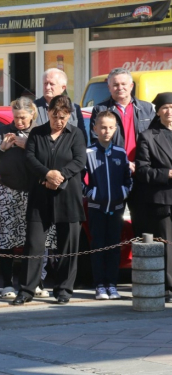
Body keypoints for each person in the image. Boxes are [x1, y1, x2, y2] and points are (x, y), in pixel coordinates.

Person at [13, 95, 87, 306]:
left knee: (67, 245)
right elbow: (30, 159)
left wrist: (58, 177)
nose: (59, 121)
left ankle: (63, 289)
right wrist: (47, 175)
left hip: (68, 196)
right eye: (55, 116)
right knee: (34, 244)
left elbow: (79, 161)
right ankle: (27, 289)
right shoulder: (37, 133)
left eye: (63, 117)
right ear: (48, 113)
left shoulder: (76, 134)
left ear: (69, 115)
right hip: (40, 195)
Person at [0, 97, 54, 300]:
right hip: (7, 190)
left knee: (37, 239)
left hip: (35, 191)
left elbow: (49, 157)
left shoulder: (41, 133)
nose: (19, 122)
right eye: (16, 117)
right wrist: (1, 149)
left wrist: (26, 144)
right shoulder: (2, 132)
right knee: (7, 238)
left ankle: (36, 282)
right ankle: (6, 283)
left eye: (23, 118)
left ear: (32, 115)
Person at [90, 67, 155, 240]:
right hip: (114, 175)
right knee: (113, 226)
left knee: (143, 223)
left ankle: (143, 263)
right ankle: (113, 264)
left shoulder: (147, 109)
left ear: (131, 85)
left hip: (141, 174)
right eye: (115, 84)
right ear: (109, 87)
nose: (120, 88)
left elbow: (155, 142)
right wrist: (125, 162)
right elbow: (96, 143)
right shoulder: (100, 109)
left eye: (124, 84)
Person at [83, 111, 132, 300]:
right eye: (102, 127)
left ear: (115, 129)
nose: (106, 131)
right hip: (96, 209)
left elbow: (128, 179)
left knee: (114, 247)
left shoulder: (121, 153)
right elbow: (80, 181)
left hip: (117, 208)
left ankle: (112, 284)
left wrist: (123, 193)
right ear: (95, 129)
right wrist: (92, 194)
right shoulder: (88, 153)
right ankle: (99, 285)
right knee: (98, 246)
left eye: (111, 127)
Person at [134, 92, 172, 303]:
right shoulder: (148, 136)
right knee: (167, 245)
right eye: (165, 107)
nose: (170, 112)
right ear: (158, 111)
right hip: (163, 199)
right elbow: (142, 170)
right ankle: (168, 287)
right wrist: (166, 174)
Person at [35, 68, 87, 145]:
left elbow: (82, 139)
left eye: (51, 84)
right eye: (45, 83)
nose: (47, 87)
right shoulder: (33, 107)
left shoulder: (74, 108)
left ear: (63, 88)